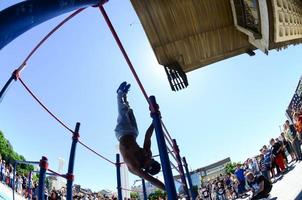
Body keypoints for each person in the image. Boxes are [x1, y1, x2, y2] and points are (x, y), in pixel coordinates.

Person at [114, 82, 165, 190]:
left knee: (123, 112)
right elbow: (148, 137)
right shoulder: (147, 154)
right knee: (129, 111)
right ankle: (125, 96)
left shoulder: (135, 167)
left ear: (146, 167)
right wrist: (155, 122)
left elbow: (152, 180)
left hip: (122, 133)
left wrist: (168, 190)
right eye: (152, 159)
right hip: (134, 133)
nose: (149, 157)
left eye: (150, 160)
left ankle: (119, 94)